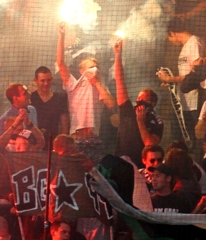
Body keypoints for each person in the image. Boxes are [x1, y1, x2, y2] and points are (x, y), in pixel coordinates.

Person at [56, 23, 115, 161]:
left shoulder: (100, 85)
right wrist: (61, 36)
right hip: (76, 139)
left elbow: (112, 104)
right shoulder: (73, 84)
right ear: (82, 71)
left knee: (93, 175)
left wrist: (97, 83)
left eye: (96, 67)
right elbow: (60, 63)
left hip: (93, 139)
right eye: (90, 67)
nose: (94, 70)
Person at [113, 39, 163, 167]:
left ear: (152, 104)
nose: (139, 103)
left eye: (143, 100)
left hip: (141, 166)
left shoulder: (156, 121)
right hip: (121, 162)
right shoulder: (128, 111)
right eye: (138, 100)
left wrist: (141, 122)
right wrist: (118, 54)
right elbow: (120, 81)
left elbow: (150, 144)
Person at [157, 18, 203, 144]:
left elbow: (195, 74)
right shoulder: (186, 46)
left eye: (169, 38)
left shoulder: (194, 43)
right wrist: (172, 83)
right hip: (185, 101)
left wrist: (169, 78)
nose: (170, 42)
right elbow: (185, 75)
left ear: (172, 33)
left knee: (196, 138)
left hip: (195, 101)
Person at [29, 65, 69, 139]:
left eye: (49, 80)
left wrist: (61, 143)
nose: (46, 83)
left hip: (53, 142)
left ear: (52, 79)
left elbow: (64, 126)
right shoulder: (30, 98)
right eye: (42, 80)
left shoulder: (59, 98)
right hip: (33, 143)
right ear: (36, 80)